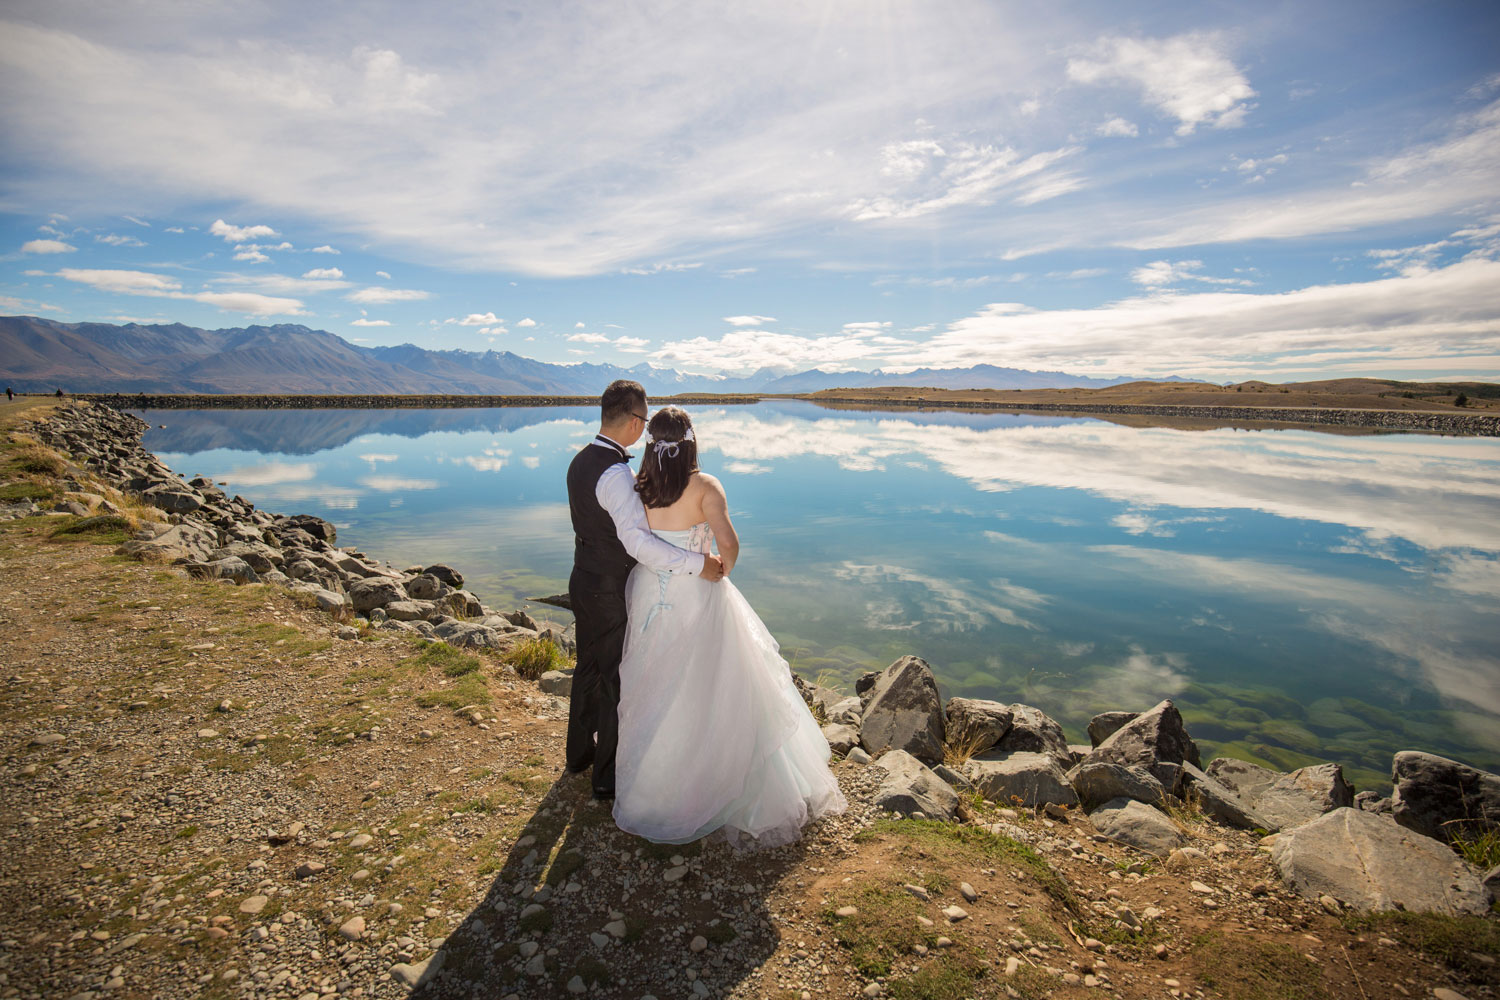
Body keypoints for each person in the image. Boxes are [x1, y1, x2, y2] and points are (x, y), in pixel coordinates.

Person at [613, 406, 846, 848]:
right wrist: (720, 571)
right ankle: (719, 786)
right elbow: (729, 546)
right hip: (698, 592)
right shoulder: (704, 486)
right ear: (691, 442)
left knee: (655, 683)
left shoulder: (638, 485)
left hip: (650, 594)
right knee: (710, 685)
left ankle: (657, 791)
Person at [566, 381, 726, 802]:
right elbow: (637, 544)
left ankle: (578, 755)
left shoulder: (581, 460)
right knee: (614, 679)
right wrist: (696, 565)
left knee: (587, 669)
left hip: (582, 576)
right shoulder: (616, 475)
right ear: (635, 422)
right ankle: (606, 778)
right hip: (606, 587)